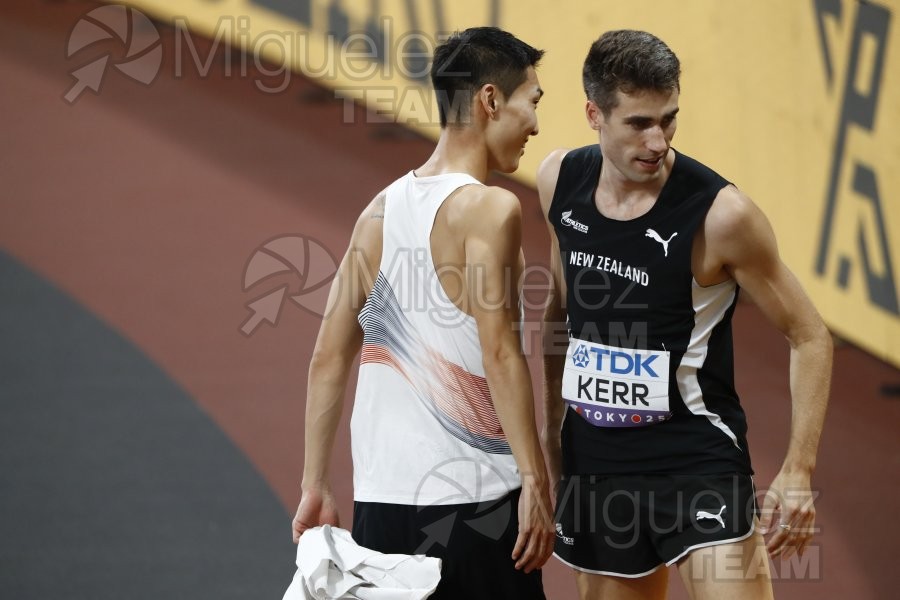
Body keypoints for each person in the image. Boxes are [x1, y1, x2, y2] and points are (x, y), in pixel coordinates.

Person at [538, 30, 832, 599]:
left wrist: (799, 469)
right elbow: (559, 316)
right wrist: (551, 435)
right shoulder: (560, 180)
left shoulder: (721, 215)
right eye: (639, 123)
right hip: (597, 468)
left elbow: (810, 335)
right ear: (594, 114)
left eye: (668, 119)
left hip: (696, 464)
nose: (658, 140)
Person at [291, 27, 554, 599]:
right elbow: (501, 352)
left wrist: (315, 482)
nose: (535, 125)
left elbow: (328, 356)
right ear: (490, 100)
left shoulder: (378, 212)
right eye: (531, 103)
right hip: (476, 508)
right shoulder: (492, 208)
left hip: (380, 512)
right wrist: (535, 477)